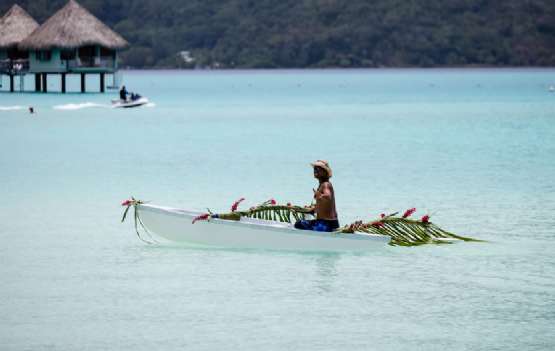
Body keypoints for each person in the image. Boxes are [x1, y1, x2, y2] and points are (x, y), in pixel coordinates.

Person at [294, 160, 339, 232]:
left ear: (325, 172)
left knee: (303, 225)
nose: (315, 170)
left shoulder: (326, 184)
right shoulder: (322, 184)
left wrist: (319, 195)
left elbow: (328, 196)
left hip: (327, 223)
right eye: (315, 168)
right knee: (298, 223)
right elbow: (325, 205)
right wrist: (312, 210)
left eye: (318, 168)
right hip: (323, 222)